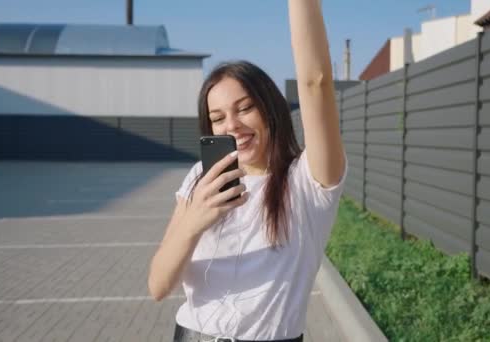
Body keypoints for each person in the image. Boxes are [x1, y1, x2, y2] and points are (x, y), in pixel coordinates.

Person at [148, 1, 347, 341]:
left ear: (269, 109)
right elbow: (158, 286)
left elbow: (316, 82)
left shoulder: (309, 180)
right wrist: (195, 221)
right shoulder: (202, 176)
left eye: (245, 108)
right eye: (218, 117)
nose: (233, 126)